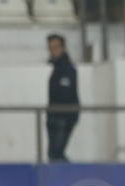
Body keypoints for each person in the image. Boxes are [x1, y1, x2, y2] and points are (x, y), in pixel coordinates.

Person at [45, 34, 79, 163]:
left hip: (63, 116)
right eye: (50, 48)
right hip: (56, 115)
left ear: (63, 48)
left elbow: (65, 94)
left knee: (56, 154)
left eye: (56, 47)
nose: (53, 51)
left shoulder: (67, 68)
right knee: (54, 154)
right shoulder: (58, 67)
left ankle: (66, 178)